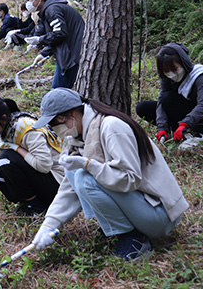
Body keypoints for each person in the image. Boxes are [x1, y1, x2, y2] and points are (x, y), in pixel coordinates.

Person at [30, 88, 188, 261]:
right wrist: (48, 225)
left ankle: (134, 238)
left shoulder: (111, 127)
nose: (55, 131)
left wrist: (90, 165)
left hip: (159, 214)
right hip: (142, 207)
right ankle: (120, 229)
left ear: (72, 115)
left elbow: (130, 178)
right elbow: (68, 189)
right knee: (74, 170)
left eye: (55, 125)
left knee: (85, 178)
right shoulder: (80, 138)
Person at [0, 95, 63, 223]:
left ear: (3, 119)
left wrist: (17, 149)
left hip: (58, 184)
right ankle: (29, 203)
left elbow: (44, 165)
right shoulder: (0, 132)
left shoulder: (26, 129)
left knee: (5, 158)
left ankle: (37, 207)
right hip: (40, 178)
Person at [136, 43, 203, 150]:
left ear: (183, 62)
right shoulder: (166, 78)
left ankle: (195, 133)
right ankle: (174, 131)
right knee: (143, 107)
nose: (172, 74)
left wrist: (186, 123)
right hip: (181, 114)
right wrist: (161, 127)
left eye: (175, 68)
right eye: (167, 71)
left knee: (168, 98)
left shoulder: (199, 75)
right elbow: (161, 102)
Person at [22, 0, 84, 88]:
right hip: (68, 54)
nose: (28, 4)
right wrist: (43, 54)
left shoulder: (52, 9)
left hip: (72, 56)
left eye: (29, 0)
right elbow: (55, 37)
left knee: (58, 92)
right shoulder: (49, 10)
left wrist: (39, 40)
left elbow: (60, 33)